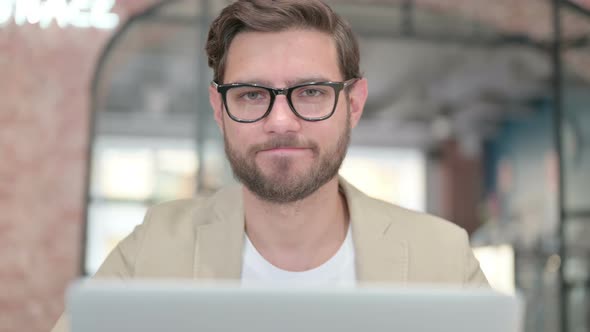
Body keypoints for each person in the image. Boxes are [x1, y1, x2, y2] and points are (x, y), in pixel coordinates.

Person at [51, 0, 488, 331]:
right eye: (252, 94)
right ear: (219, 109)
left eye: (312, 92)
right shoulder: (152, 250)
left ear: (353, 104)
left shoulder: (443, 257)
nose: (281, 121)